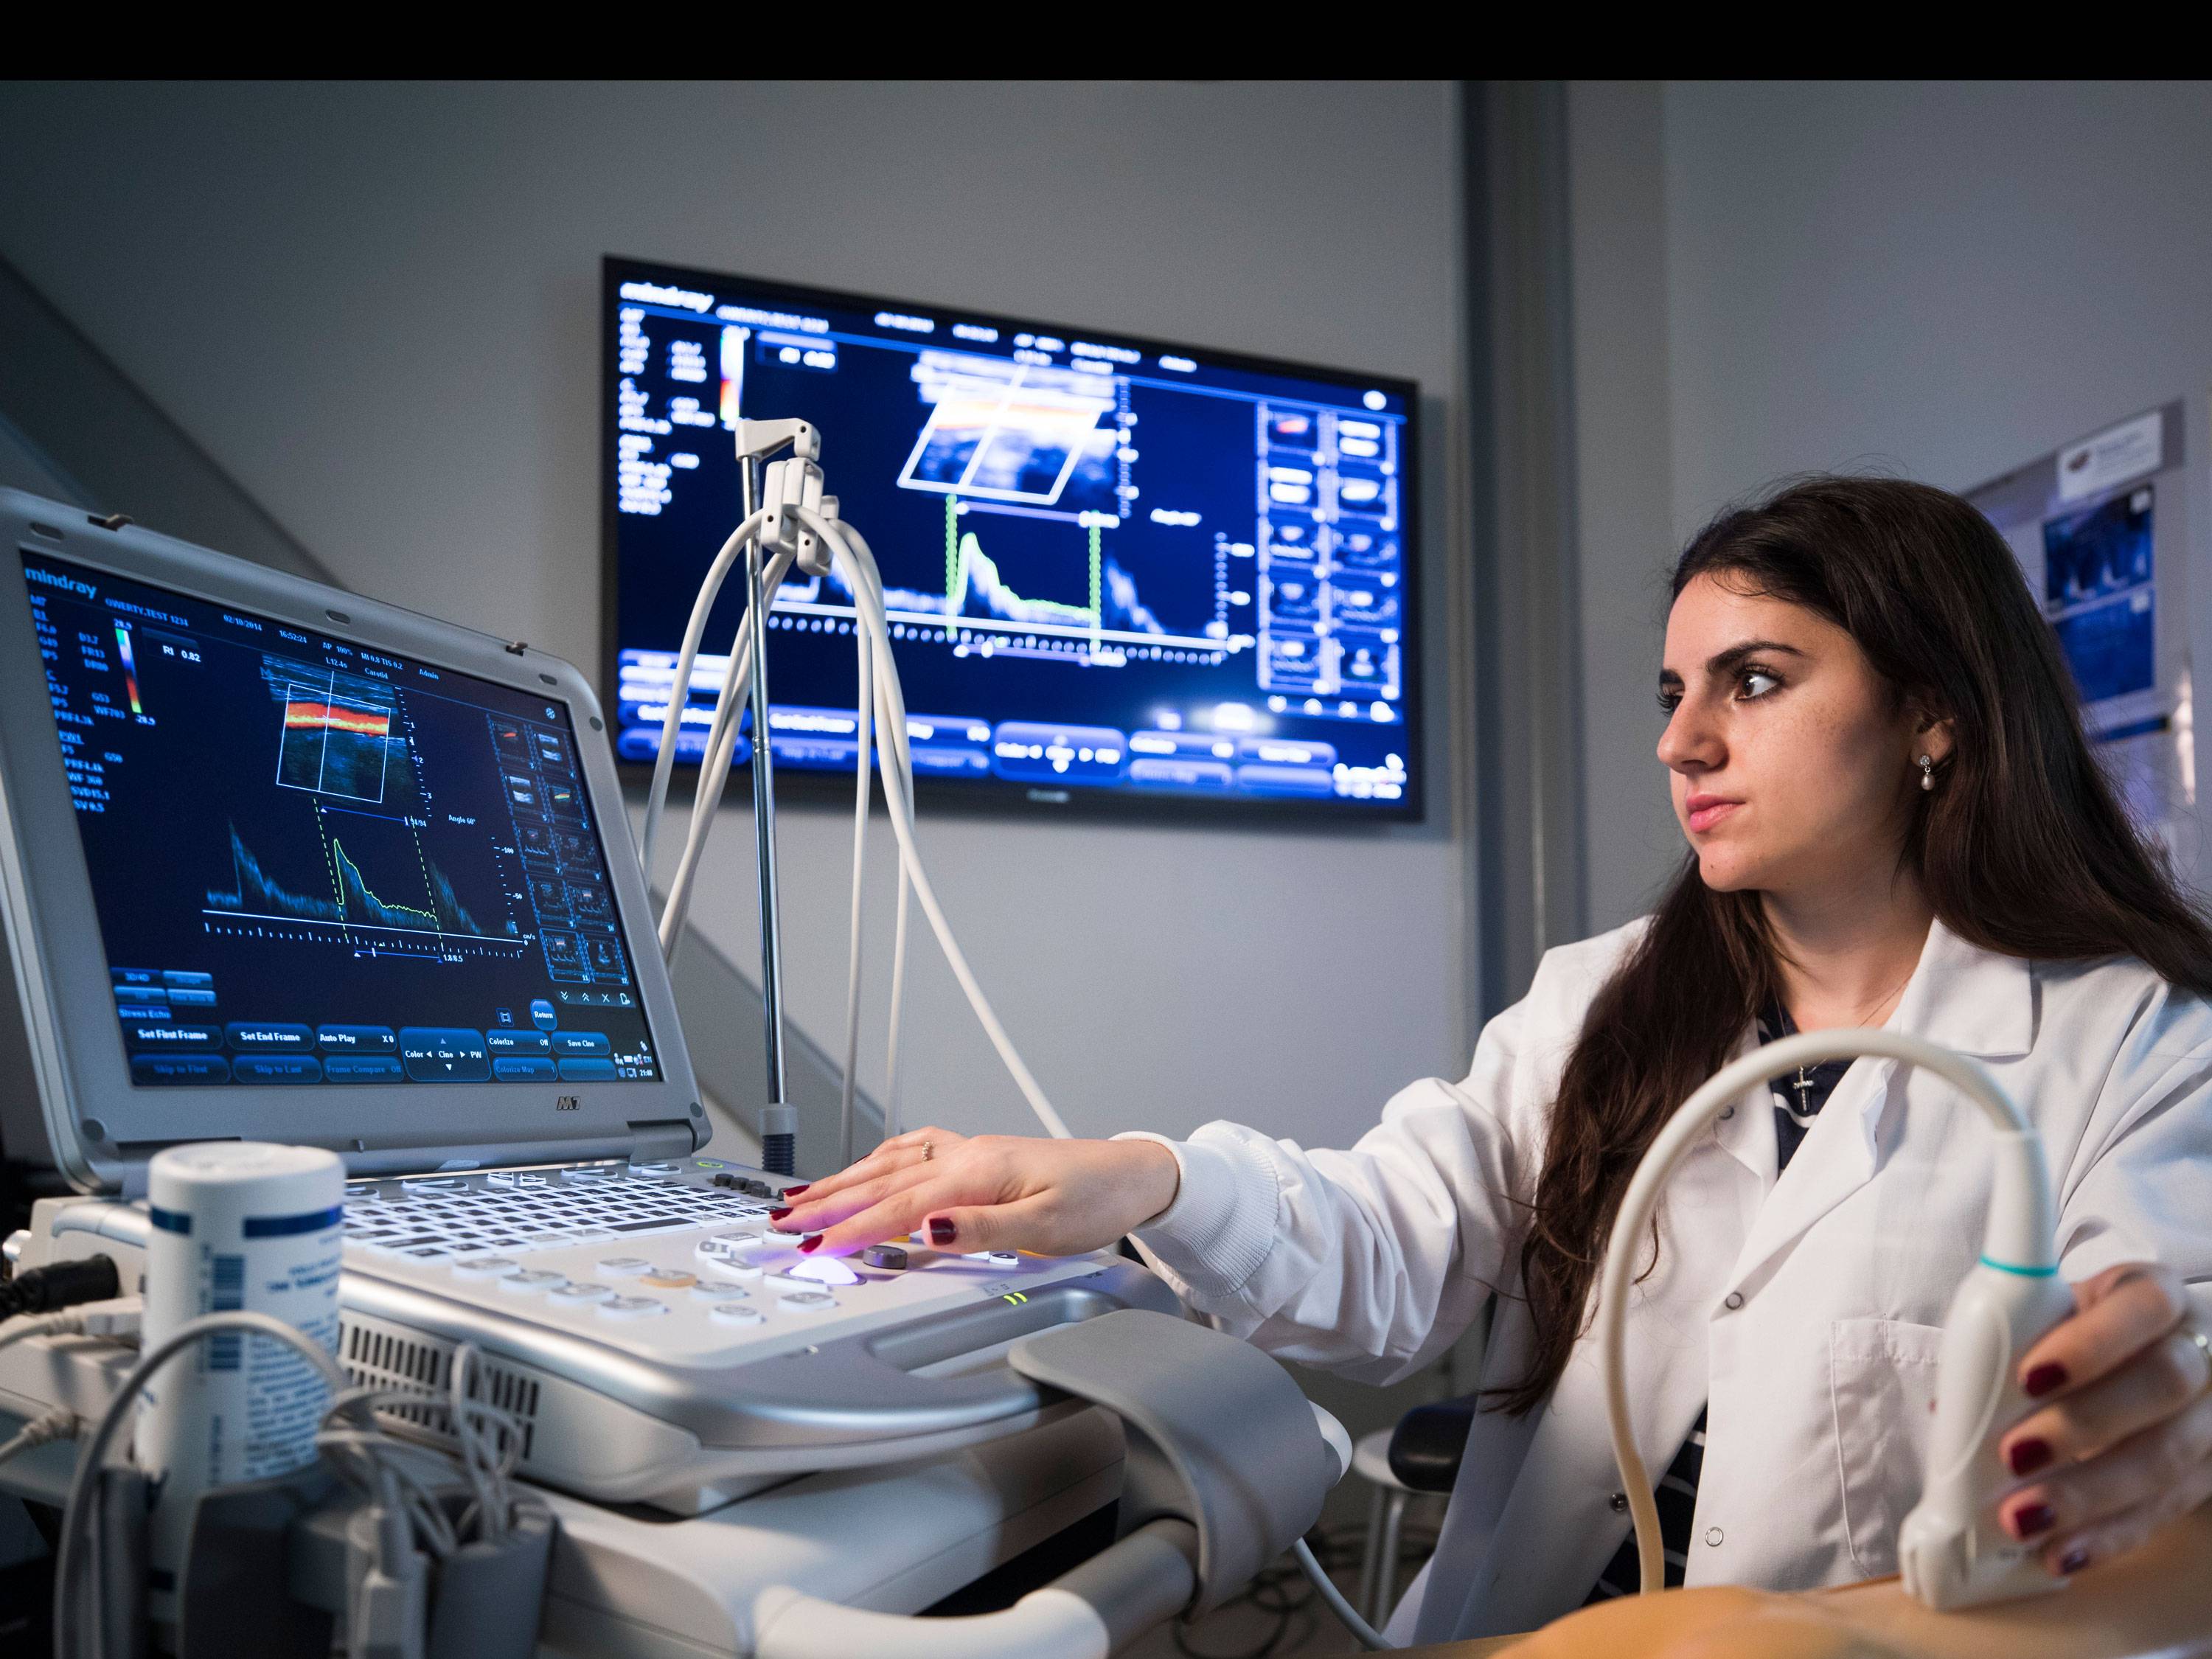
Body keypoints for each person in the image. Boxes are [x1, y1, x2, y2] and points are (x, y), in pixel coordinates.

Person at [775, 476, 2212, 1643]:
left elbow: (2169, 1351)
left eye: (1755, 682)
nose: (1684, 742)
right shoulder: (1603, 1006)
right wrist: (1139, 1181)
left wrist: (2149, 1407)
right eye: (1672, 692)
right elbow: (1391, 1239)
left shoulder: (2130, 1043)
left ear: (1934, 713)